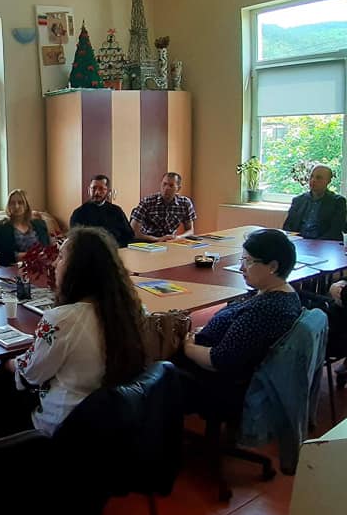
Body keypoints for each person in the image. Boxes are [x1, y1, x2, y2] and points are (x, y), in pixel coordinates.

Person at [6, 227, 147, 436]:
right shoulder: (133, 310)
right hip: (117, 422)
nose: (54, 264)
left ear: (79, 269)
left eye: (62, 257)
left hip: (66, 427)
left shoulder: (62, 319)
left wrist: (9, 363)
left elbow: (31, 374)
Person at [181, 229, 302, 414]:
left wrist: (188, 347)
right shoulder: (283, 294)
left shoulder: (264, 310)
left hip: (220, 384)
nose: (241, 268)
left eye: (248, 261)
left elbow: (219, 360)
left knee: (152, 368)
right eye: (242, 260)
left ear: (273, 266)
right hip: (221, 367)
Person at [282, 164, 346, 241]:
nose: (313, 180)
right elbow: (287, 227)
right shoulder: (298, 200)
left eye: (318, 178)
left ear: (328, 181)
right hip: (299, 241)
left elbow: (336, 231)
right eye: (311, 176)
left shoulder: (337, 202)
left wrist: (317, 242)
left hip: (324, 243)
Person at [69, 175, 134, 248]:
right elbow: (74, 239)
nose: (97, 192)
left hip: (116, 250)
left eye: (101, 189)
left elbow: (129, 235)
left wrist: (116, 246)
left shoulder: (117, 211)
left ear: (108, 191)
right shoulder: (79, 213)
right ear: (88, 190)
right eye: (94, 188)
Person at [130, 172, 197, 242]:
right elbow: (133, 231)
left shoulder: (185, 203)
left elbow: (190, 230)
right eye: (164, 184)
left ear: (178, 188)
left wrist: (178, 237)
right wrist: (158, 239)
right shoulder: (147, 201)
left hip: (170, 241)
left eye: (171, 185)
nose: (166, 188)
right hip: (149, 242)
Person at [0, 190, 51, 266]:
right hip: (13, 267)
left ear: (26, 205)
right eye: (12, 203)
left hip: (40, 265)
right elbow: (1, 255)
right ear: (8, 206)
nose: (16, 206)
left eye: (20, 202)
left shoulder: (40, 224)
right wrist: (30, 255)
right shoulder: (1, 228)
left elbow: (47, 247)